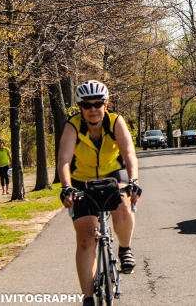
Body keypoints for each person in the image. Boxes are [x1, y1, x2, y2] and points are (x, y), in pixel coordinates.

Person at [58, 80, 142, 306]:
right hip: (82, 181)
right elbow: (64, 160)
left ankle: (124, 249)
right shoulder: (72, 126)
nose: (93, 109)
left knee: (124, 203)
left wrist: (133, 180)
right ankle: (87, 298)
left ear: (106, 104)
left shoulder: (116, 121)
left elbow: (129, 153)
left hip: (113, 175)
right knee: (86, 240)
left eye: (98, 104)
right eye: (87, 105)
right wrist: (66, 186)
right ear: (80, 107)